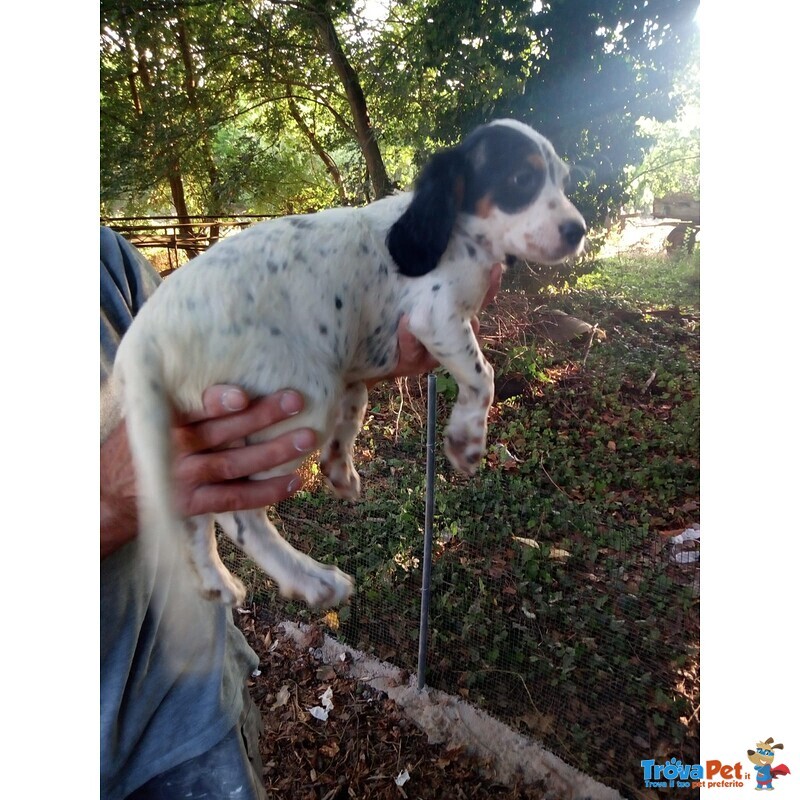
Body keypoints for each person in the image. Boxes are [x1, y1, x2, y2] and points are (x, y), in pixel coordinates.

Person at [100, 226, 501, 799]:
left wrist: (363, 346)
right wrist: (106, 500)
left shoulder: (104, 261)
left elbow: (231, 363)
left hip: (194, 708)